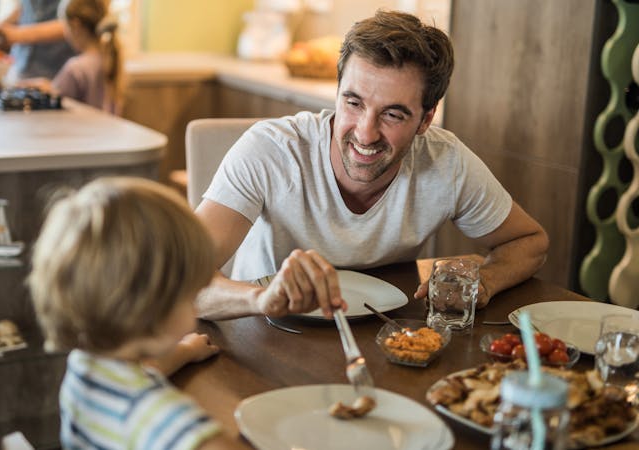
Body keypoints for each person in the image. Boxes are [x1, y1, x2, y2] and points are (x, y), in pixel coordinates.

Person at [193, 10, 549, 321]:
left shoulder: (447, 162)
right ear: (337, 92)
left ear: (426, 120)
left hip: (386, 332)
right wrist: (262, 299)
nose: (365, 134)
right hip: (268, 331)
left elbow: (530, 241)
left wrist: (484, 281)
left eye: (393, 114)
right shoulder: (270, 150)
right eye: (353, 103)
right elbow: (178, 285)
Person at [27, 177, 244, 449]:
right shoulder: (159, 417)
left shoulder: (84, 364)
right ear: (154, 306)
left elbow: (144, 371)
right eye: (191, 292)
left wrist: (185, 351)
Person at [21, 0, 126, 113]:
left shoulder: (76, 68)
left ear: (76, 25)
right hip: (103, 128)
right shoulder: (108, 58)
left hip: (82, 129)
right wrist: (47, 86)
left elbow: (57, 98)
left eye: (65, 26)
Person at [0, 0, 76, 79]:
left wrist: (17, 34)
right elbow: (24, 7)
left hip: (57, 70)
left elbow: (75, 21)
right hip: (20, 66)